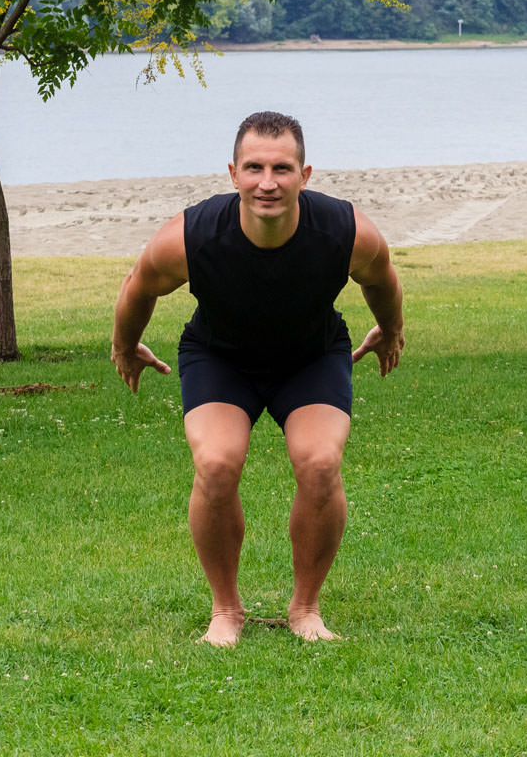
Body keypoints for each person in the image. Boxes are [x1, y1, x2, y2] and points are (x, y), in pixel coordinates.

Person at [111, 111, 404, 645]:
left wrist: (389, 329)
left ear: (304, 175)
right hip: (221, 358)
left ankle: (306, 609)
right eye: (254, 168)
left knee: (319, 464)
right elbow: (139, 285)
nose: (267, 182)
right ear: (232, 173)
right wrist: (124, 345)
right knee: (217, 465)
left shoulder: (345, 231)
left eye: (281, 168)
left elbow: (382, 275)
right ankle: (226, 610)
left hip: (310, 357)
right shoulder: (192, 237)